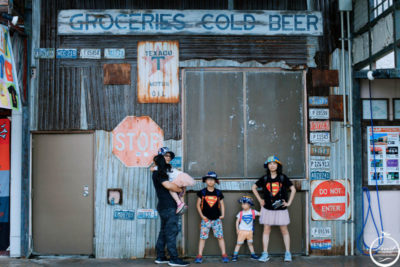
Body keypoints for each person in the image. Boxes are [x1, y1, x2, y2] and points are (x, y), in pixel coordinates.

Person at [252, 155, 296, 262]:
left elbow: (293, 189)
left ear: (278, 165)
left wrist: (289, 203)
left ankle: (288, 253)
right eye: (270, 164)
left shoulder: (282, 177)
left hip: (281, 209)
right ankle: (265, 253)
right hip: (267, 209)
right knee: (266, 230)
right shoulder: (264, 178)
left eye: (274, 163)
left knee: (284, 230)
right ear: (267, 166)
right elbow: (253, 187)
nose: (272, 165)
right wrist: (260, 200)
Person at [152, 154, 189, 267]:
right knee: (171, 231)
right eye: (166, 158)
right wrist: (180, 189)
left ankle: (160, 256)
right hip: (169, 207)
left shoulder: (158, 172)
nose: (168, 160)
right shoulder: (159, 173)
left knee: (163, 231)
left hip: (163, 206)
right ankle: (174, 259)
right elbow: (169, 186)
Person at [194, 171, 229, 264]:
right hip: (205, 219)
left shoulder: (218, 193)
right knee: (202, 237)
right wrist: (202, 216)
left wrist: (223, 214)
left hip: (216, 219)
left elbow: (222, 204)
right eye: (208, 180)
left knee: (220, 237)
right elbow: (197, 205)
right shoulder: (202, 192)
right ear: (205, 181)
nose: (210, 181)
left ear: (215, 181)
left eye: (212, 180)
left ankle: (224, 254)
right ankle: (199, 255)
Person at [152, 147, 195, 214]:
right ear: (160, 157)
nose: (169, 157)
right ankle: (182, 204)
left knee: (172, 189)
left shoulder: (165, 167)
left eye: (169, 156)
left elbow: (169, 186)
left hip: (179, 178)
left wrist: (153, 168)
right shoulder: (163, 168)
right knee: (179, 191)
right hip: (181, 177)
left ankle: (179, 203)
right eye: (166, 156)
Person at [232, 196, 260, 262]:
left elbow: (261, 214)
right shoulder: (241, 213)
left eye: (244, 204)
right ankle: (235, 255)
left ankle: (253, 254)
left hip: (249, 231)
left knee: (250, 243)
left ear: (249, 204)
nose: (242, 205)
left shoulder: (253, 212)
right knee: (239, 244)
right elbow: (237, 221)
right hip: (242, 231)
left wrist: (263, 206)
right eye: (242, 204)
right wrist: (237, 229)